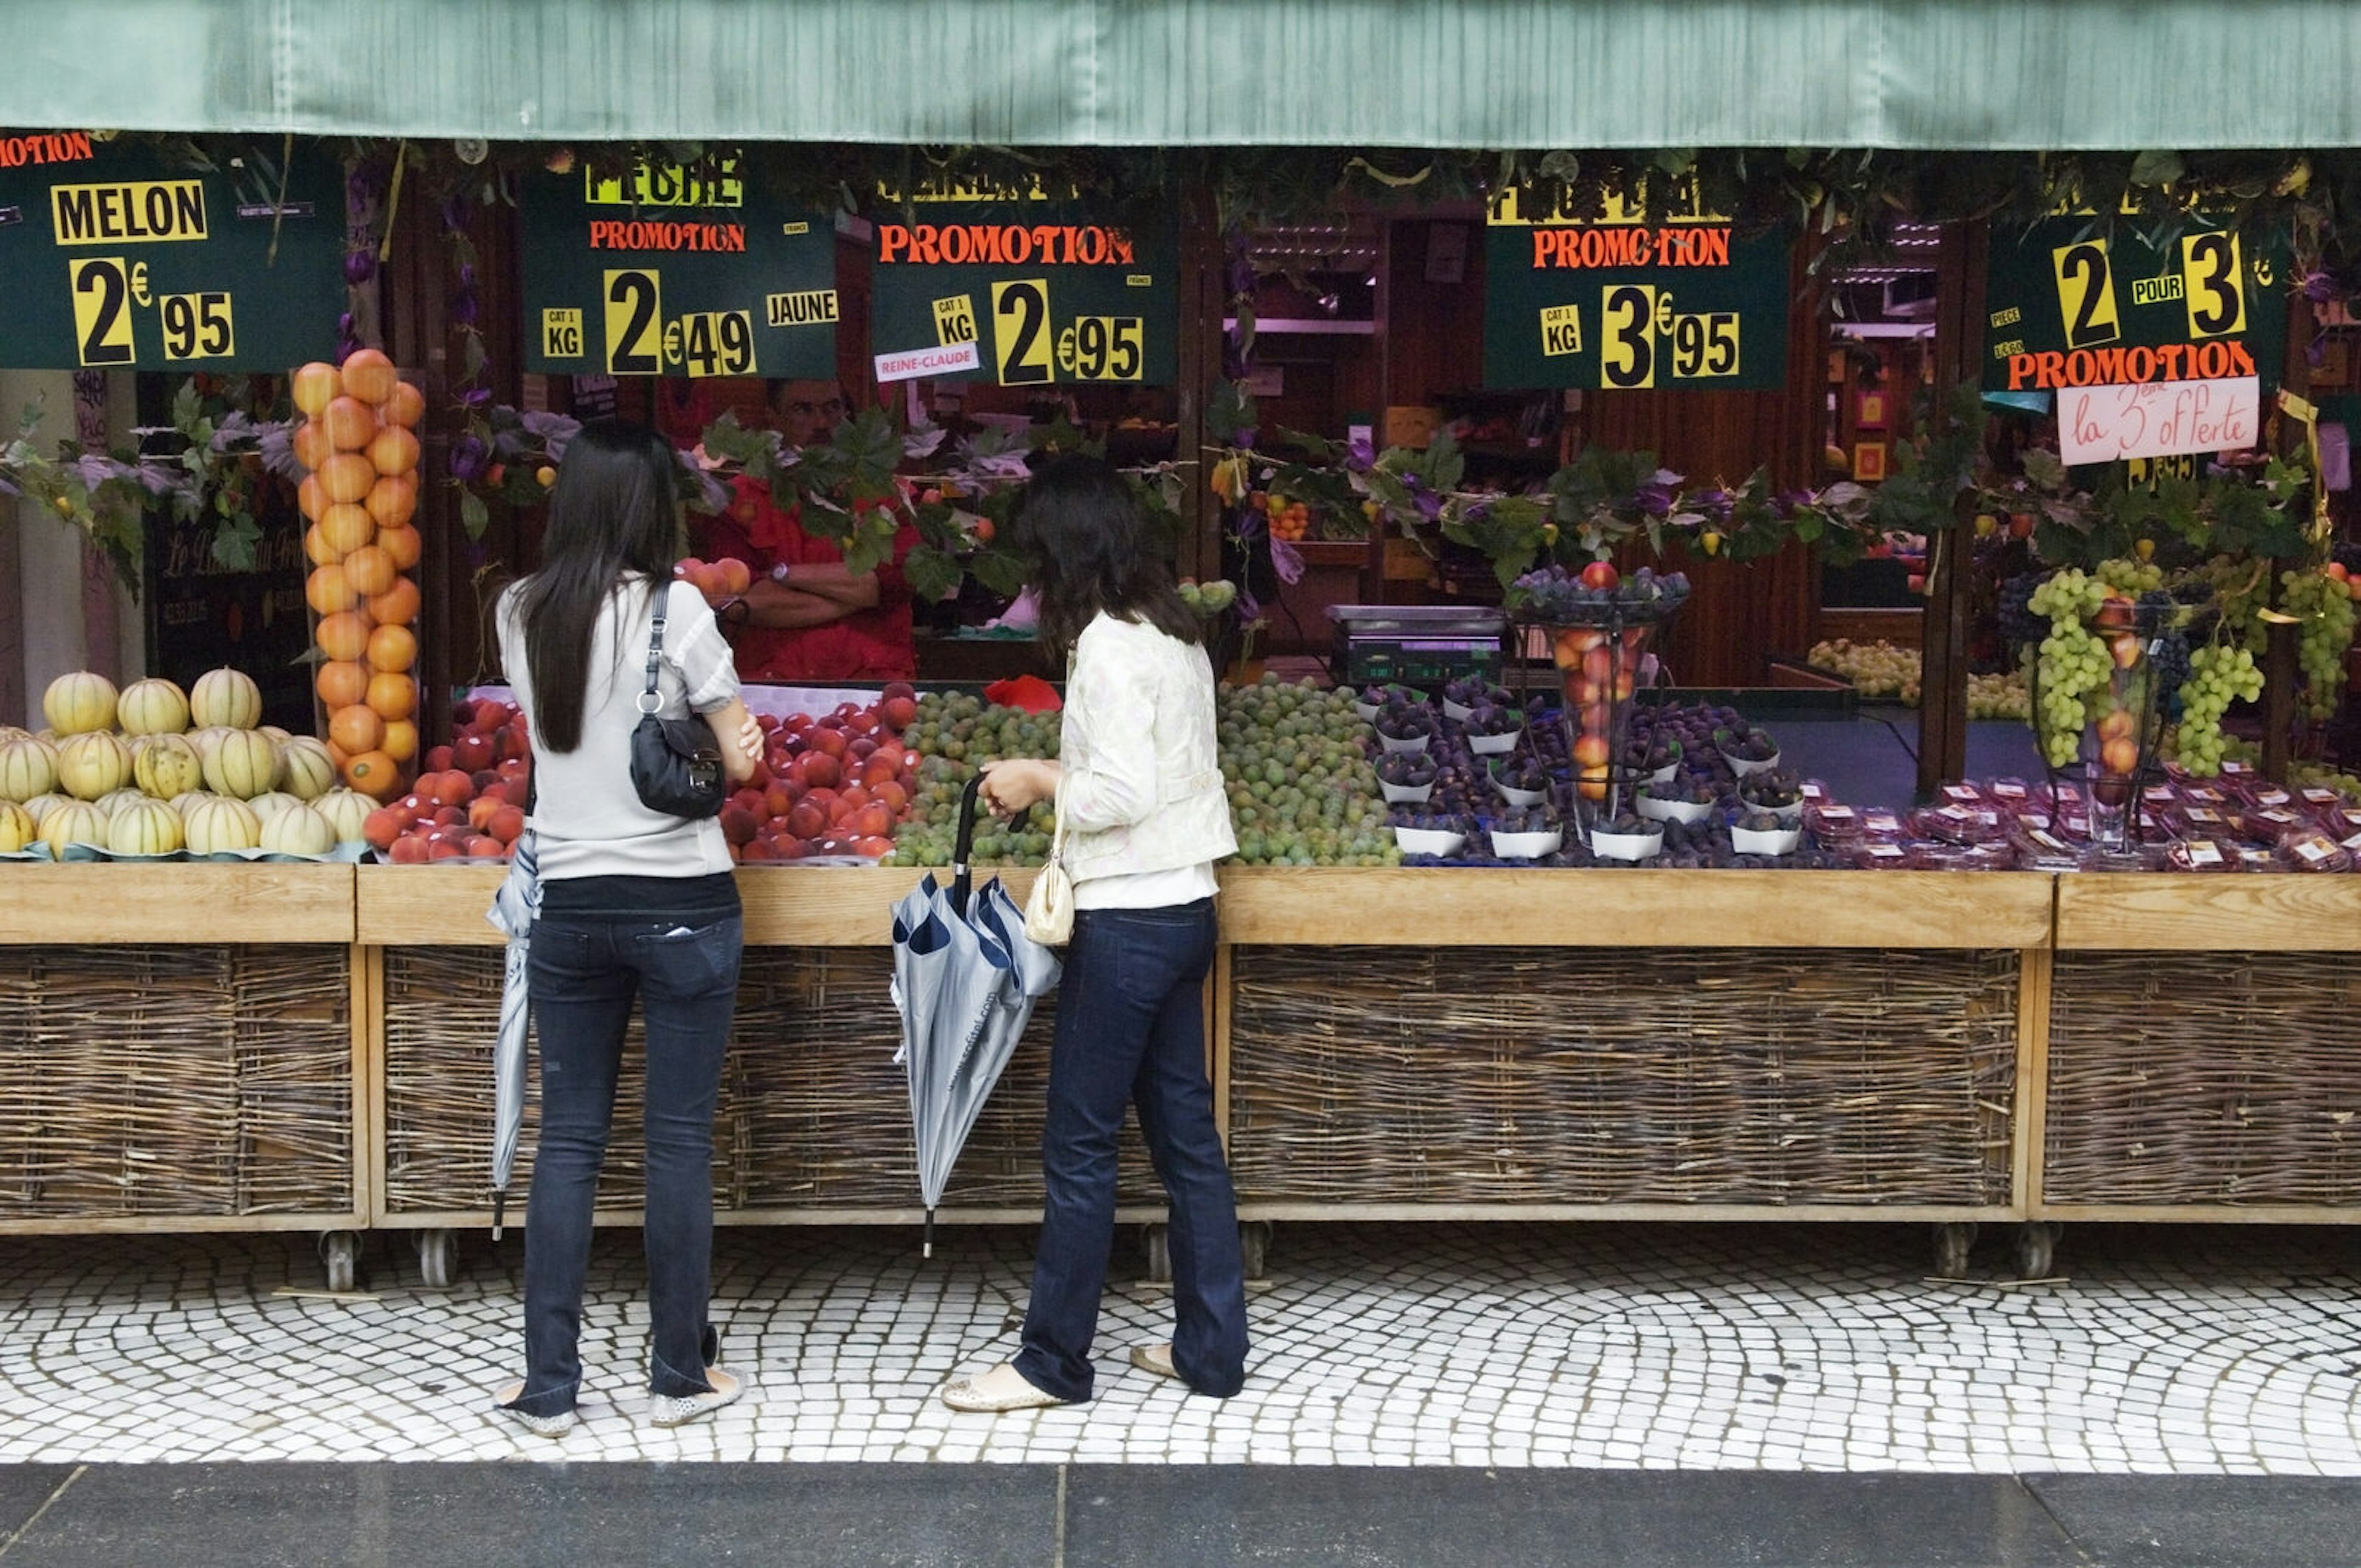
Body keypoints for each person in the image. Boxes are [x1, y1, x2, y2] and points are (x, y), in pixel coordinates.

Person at [940, 455, 1248, 1412]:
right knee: (1185, 1136)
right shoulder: (1175, 633)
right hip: (1187, 905)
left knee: (1078, 1141)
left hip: (1127, 920)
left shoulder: (1111, 646)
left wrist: (1036, 777)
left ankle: (1052, 1362)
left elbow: (1122, 791)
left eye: (1036, 561)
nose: (1029, 584)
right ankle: (1211, 1347)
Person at [489, 420, 764, 1438]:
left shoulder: (520, 612)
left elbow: (561, 742)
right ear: (653, 509)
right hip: (682, 906)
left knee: (569, 1141)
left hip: (571, 905)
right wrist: (736, 737)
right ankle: (677, 1377)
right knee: (677, 1142)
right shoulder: (678, 606)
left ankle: (550, 1385)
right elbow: (740, 759)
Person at [700, 377, 921, 682]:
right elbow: (735, 604)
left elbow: (893, 582)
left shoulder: (888, 496)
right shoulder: (737, 500)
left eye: (833, 408)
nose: (821, 422)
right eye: (802, 409)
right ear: (773, 419)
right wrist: (855, 594)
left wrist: (780, 576)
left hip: (872, 683)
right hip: (772, 686)